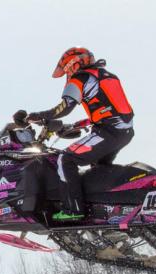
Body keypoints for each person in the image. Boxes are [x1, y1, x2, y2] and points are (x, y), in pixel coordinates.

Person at [15, 47, 134, 221]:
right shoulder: (105, 75)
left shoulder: (81, 78)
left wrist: (37, 116)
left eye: (67, 70)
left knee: (65, 159)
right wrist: (75, 126)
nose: (67, 75)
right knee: (99, 169)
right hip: (123, 131)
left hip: (108, 131)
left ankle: (73, 210)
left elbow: (65, 107)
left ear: (73, 64)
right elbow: (111, 109)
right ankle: (107, 210)